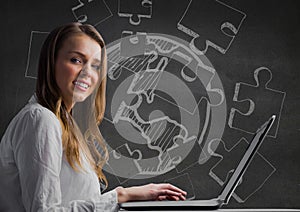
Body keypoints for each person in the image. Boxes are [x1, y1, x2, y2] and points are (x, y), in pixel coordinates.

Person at [0, 22, 186, 211]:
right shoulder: (39, 119)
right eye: (76, 60)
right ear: (51, 62)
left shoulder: (64, 123)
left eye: (96, 66)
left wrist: (125, 198)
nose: (87, 72)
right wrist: (121, 196)